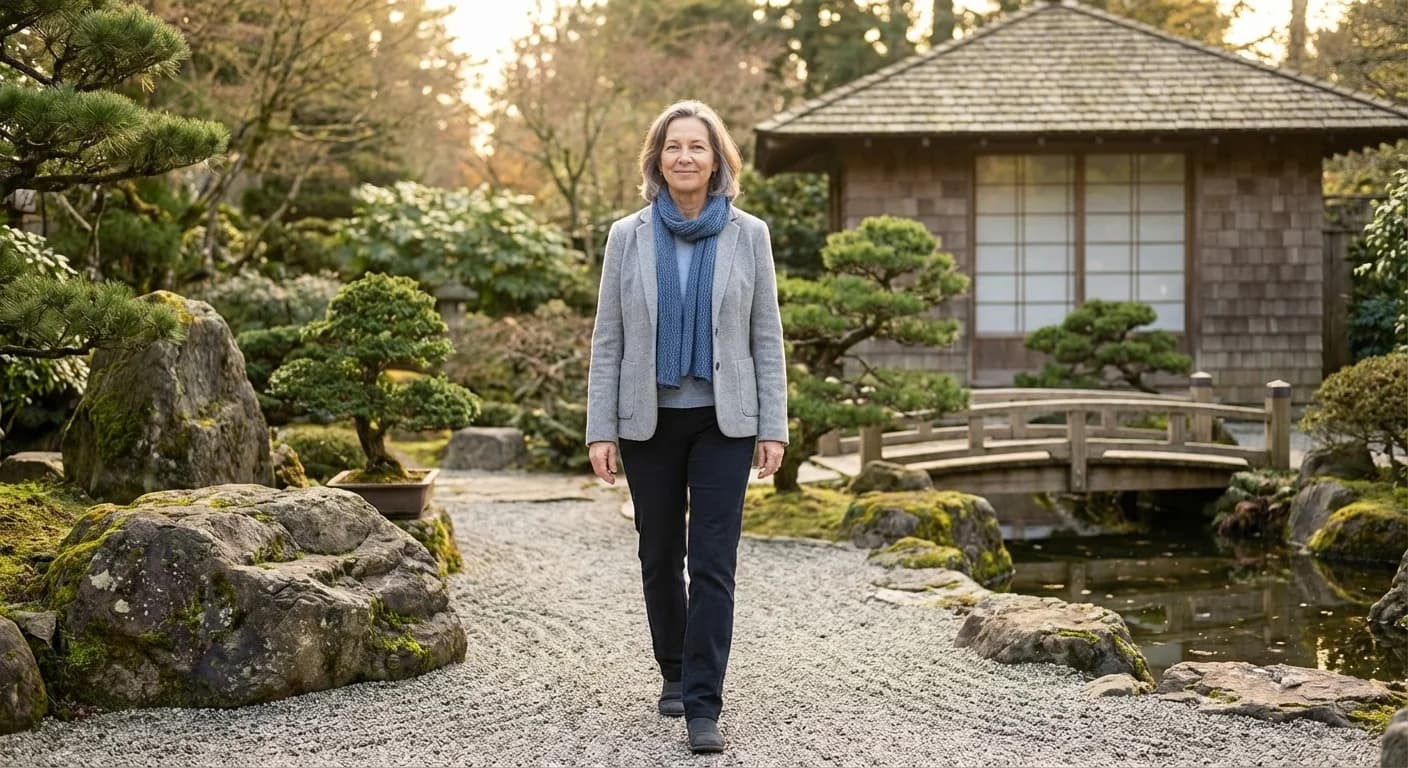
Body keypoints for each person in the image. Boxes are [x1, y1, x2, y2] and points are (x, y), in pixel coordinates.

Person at [585, 100, 788, 755]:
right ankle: (672, 668)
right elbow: (608, 340)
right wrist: (600, 430)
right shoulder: (628, 236)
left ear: (717, 159)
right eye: (674, 147)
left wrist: (773, 426)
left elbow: (766, 336)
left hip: (726, 420)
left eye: (698, 147)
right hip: (648, 421)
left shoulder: (748, 234)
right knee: (657, 554)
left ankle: (704, 702)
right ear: (657, 159)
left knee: (713, 562)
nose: (685, 157)